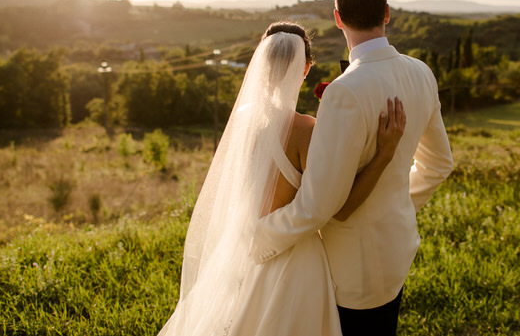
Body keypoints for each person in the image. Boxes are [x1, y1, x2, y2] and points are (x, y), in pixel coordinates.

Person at [157, 21, 406, 336]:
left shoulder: (243, 118)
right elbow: (334, 202)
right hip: (295, 260)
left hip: (244, 250)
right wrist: (383, 154)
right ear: (306, 68)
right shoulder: (306, 130)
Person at [251, 0, 454, 336]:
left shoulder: (344, 92)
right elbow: (439, 164)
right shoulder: (422, 73)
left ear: (338, 18)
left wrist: (262, 237)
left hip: (354, 266)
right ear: (387, 13)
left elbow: (318, 206)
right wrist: (396, 203)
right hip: (397, 246)